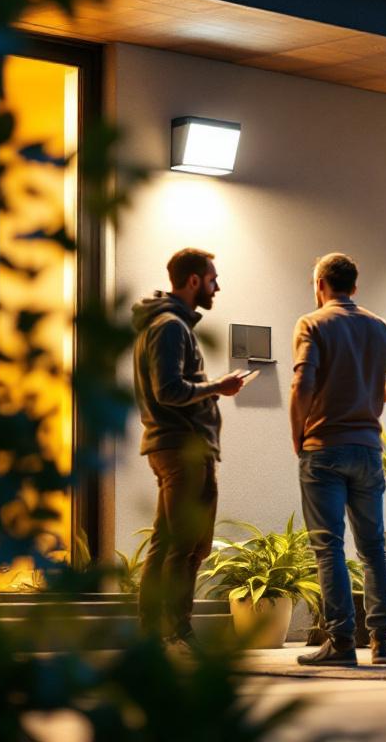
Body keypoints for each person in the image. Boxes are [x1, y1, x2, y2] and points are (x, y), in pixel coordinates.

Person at [291, 252, 386, 667]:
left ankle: (342, 644)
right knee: (373, 548)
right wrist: (371, 397)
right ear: (355, 287)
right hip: (368, 450)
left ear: (320, 285)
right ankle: (382, 642)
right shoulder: (381, 327)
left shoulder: (312, 324)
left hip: (323, 447)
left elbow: (302, 386)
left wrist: (299, 435)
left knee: (328, 548)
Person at [132, 248, 244, 648]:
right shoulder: (170, 327)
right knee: (186, 546)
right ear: (194, 280)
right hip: (182, 448)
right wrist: (218, 386)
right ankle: (177, 631)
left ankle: (152, 633)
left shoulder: (163, 325)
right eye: (213, 278)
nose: (217, 286)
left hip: (177, 447)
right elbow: (170, 389)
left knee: (169, 542)